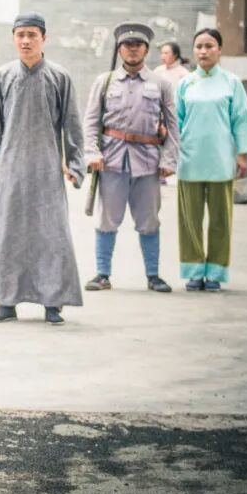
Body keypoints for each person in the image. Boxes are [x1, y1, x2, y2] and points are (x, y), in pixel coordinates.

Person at [0, 13, 85, 326]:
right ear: (13, 38)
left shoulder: (59, 77)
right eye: (20, 35)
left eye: (32, 35)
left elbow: (73, 124)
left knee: (52, 235)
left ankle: (53, 302)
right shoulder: (3, 76)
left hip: (47, 170)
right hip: (11, 171)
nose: (25, 41)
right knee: (7, 235)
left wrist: (75, 164)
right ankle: (6, 302)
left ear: (43, 38)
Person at [82, 22, 179, 294]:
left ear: (146, 49)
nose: (132, 49)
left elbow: (173, 125)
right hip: (111, 160)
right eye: (127, 45)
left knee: (149, 221)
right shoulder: (105, 81)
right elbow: (91, 121)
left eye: (138, 45)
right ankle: (102, 274)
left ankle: (153, 275)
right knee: (107, 220)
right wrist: (92, 152)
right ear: (119, 49)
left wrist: (169, 159)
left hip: (148, 162)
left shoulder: (161, 84)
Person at [175, 28, 247, 291]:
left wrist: (242, 156)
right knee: (189, 220)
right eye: (199, 46)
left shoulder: (231, 83)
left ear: (219, 50)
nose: (203, 51)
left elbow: (242, 120)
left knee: (221, 220)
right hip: (189, 160)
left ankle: (215, 272)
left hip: (221, 161)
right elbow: (176, 123)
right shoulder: (185, 84)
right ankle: (193, 270)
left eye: (209, 46)